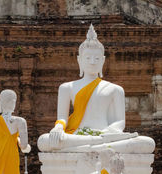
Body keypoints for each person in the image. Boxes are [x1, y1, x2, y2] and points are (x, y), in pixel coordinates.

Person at [37, 24, 154, 154]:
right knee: (44, 141)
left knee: (147, 143)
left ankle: (89, 146)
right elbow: (62, 118)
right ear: (79, 60)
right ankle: (95, 146)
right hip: (77, 135)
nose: (92, 62)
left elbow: (119, 122)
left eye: (97, 58)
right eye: (88, 58)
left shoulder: (115, 89)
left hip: (105, 135)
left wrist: (108, 132)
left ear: (103, 61)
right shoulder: (67, 87)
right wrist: (58, 128)